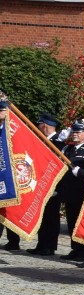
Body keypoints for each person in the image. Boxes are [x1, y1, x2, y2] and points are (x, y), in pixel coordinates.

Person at [57, 119, 84, 267]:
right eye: (74, 131)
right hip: (69, 192)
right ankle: (76, 250)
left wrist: (80, 172)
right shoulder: (68, 149)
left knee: (82, 224)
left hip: (82, 193)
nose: (75, 134)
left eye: (79, 131)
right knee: (71, 222)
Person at [27, 112, 65, 256]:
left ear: (44, 126)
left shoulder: (58, 143)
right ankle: (41, 244)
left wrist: (58, 188)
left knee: (52, 217)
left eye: (39, 125)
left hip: (53, 186)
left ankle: (50, 246)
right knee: (42, 217)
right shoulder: (42, 141)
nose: (37, 127)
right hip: (42, 184)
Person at [0, 96, 22, 251]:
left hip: (10, 178)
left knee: (10, 213)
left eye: (2, 110)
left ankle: (13, 241)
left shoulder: (14, 130)